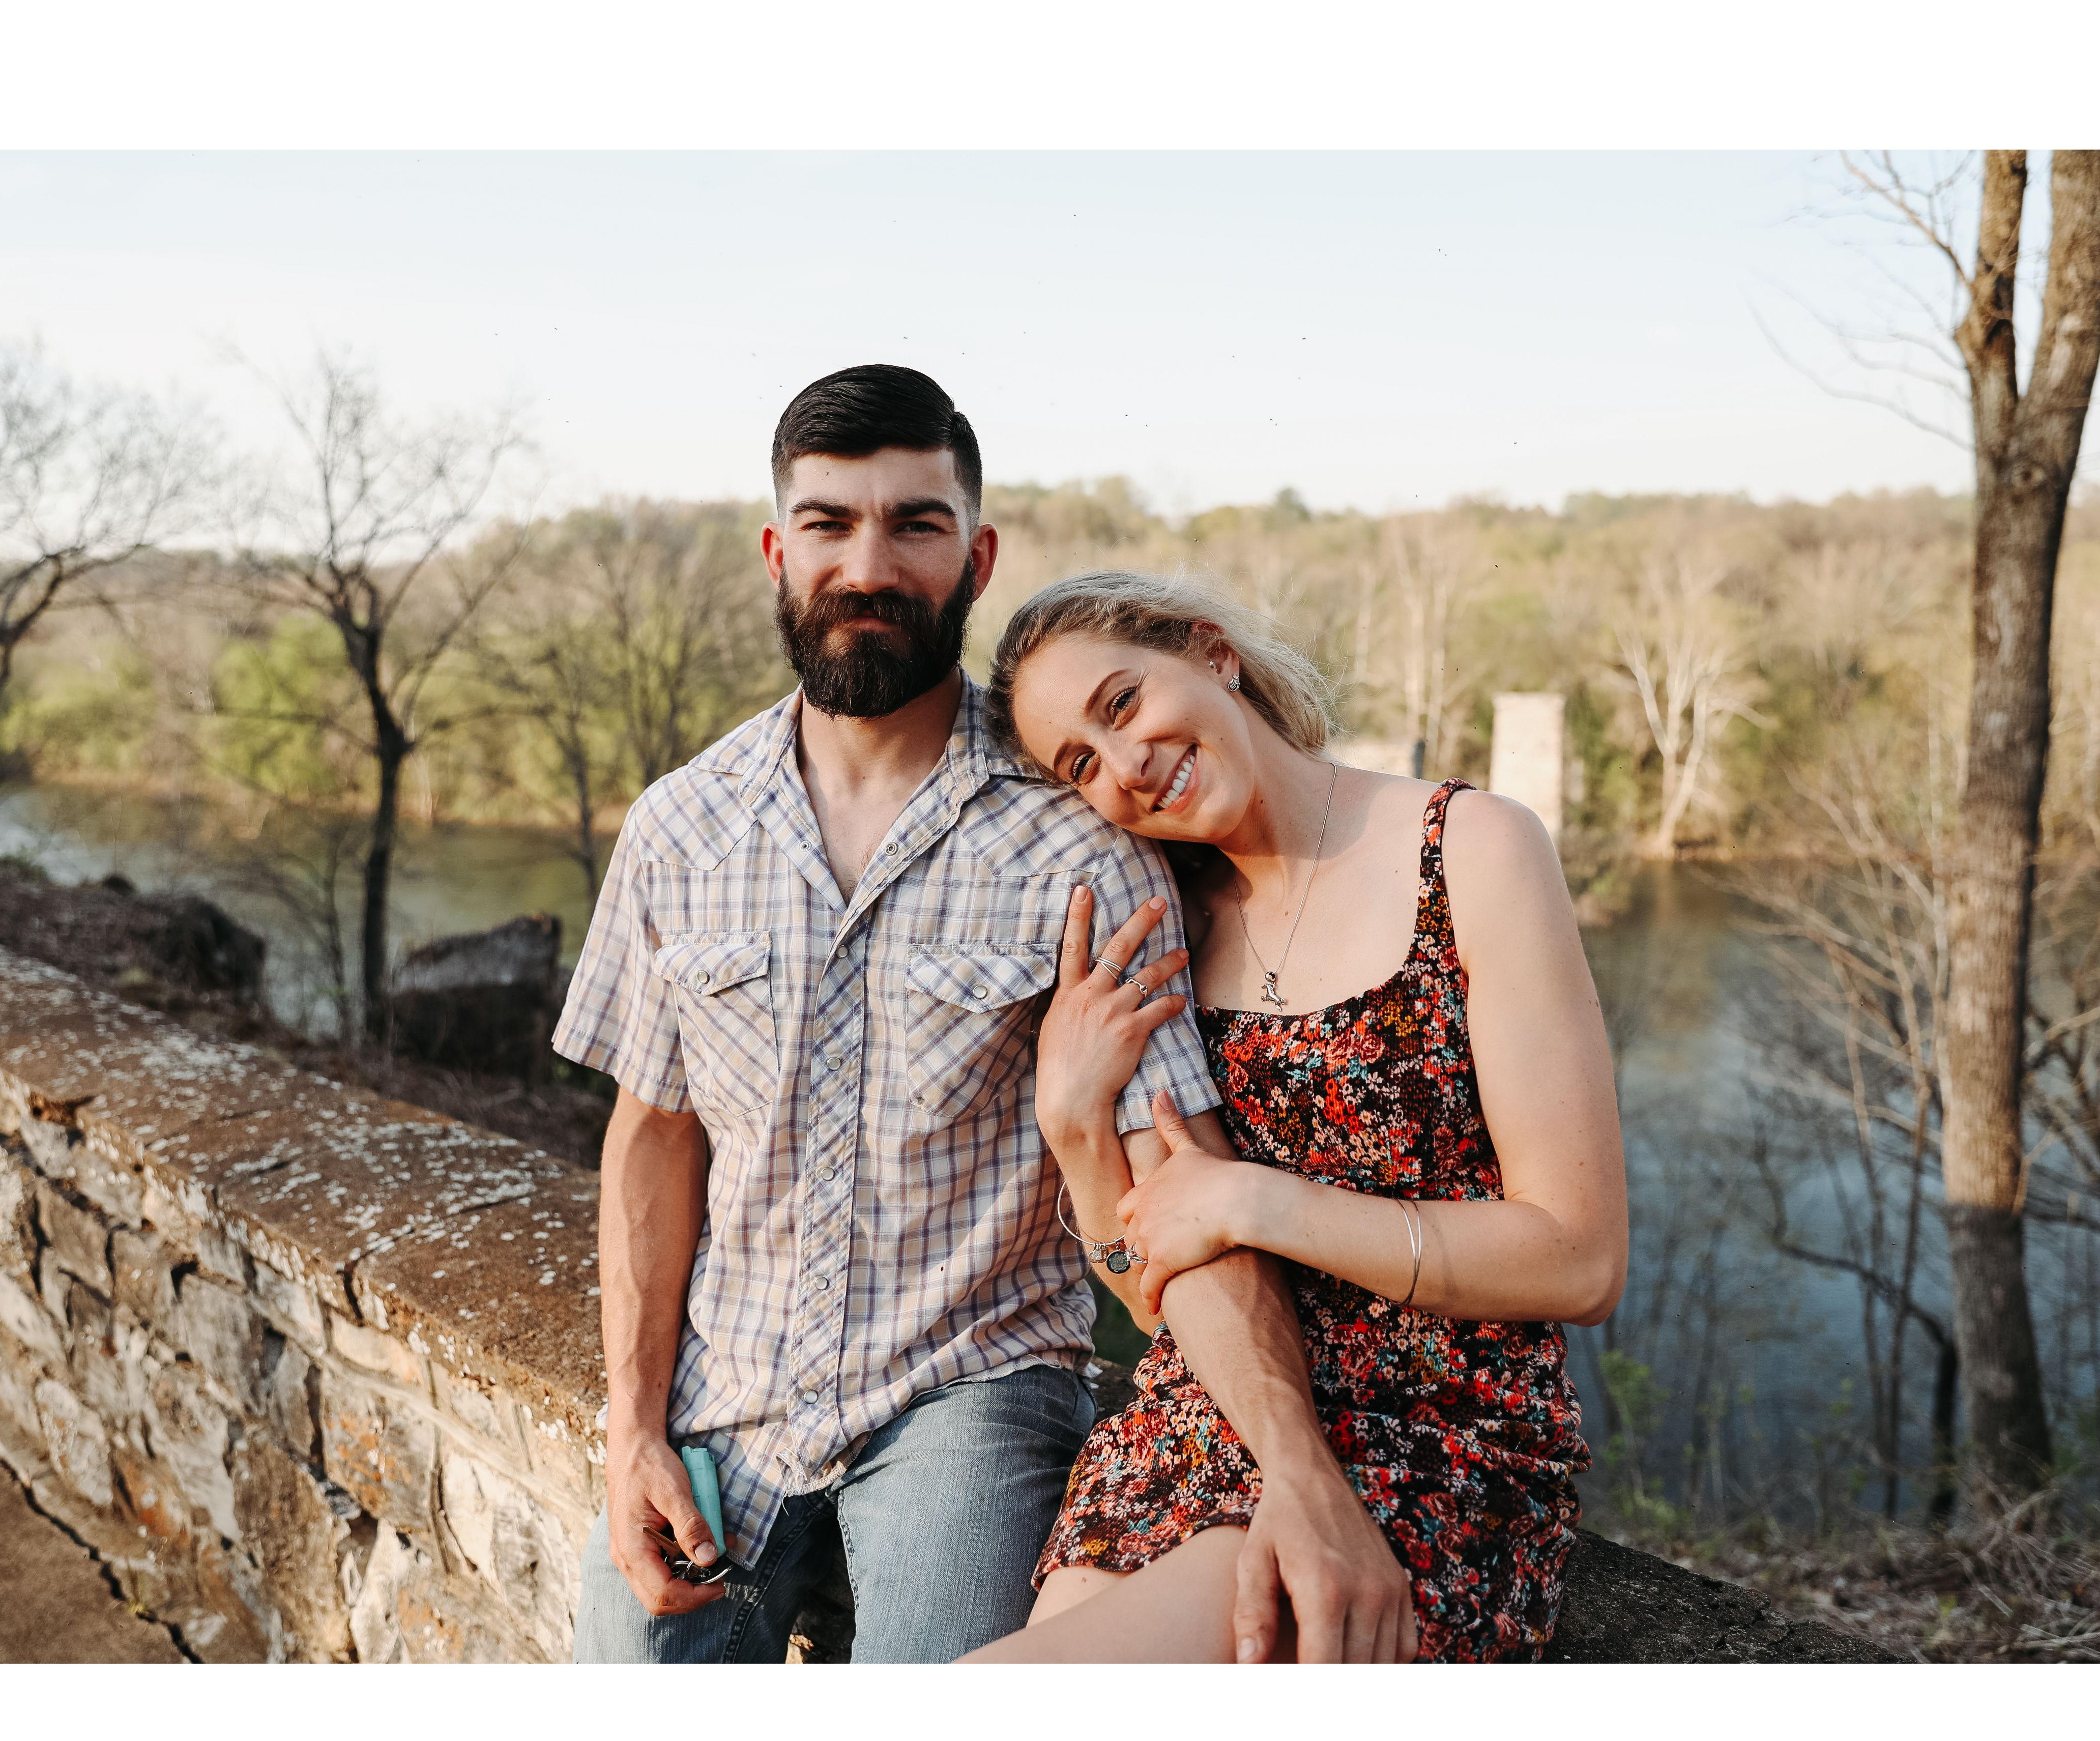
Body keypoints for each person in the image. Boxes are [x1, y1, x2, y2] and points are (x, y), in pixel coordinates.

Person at [557, 366, 1379, 1662]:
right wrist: (632, 1429)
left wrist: (1300, 1473)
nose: (868, 565)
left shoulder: (1084, 840)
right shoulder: (678, 829)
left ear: (977, 557)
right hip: (727, 1401)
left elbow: (1181, 1183)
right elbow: (654, 1133)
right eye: (830, 524)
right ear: (778, 552)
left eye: (916, 524)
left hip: (972, 1395)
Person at [961, 571, 1627, 1662]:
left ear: (1211, 651)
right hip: (1206, 1415)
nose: (1126, 766)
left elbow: (1579, 1259)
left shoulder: (1474, 850)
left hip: (1432, 1438)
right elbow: (1159, 1294)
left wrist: (1254, 1201)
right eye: (1080, 764)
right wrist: (1077, 1133)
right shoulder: (1163, 928)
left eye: (1124, 703)